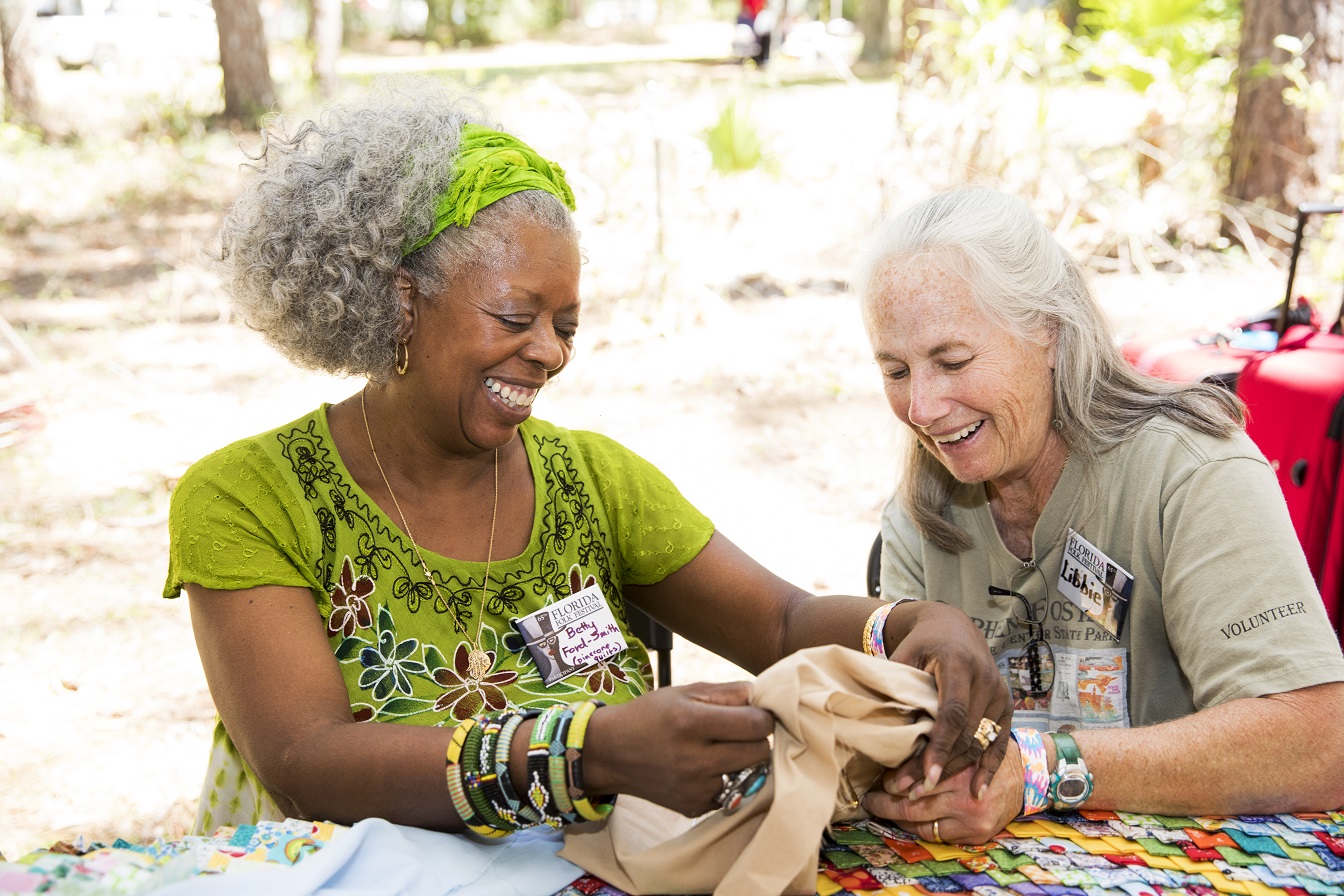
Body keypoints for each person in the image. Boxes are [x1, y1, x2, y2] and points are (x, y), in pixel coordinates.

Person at [162, 82, 1010, 840]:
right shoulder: (250, 499)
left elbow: (780, 625)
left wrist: (912, 627)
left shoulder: (590, 481)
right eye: (513, 316)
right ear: (399, 298)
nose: (549, 354)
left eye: (565, 326)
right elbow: (309, 762)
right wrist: (584, 756)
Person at [856, 187, 1344, 845]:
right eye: (895, 370)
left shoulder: (1190, 470)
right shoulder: (923, 507)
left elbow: (1320, 739)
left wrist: (1039, 771)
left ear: (1049, 332)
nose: (921, 407)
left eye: (953, 361)